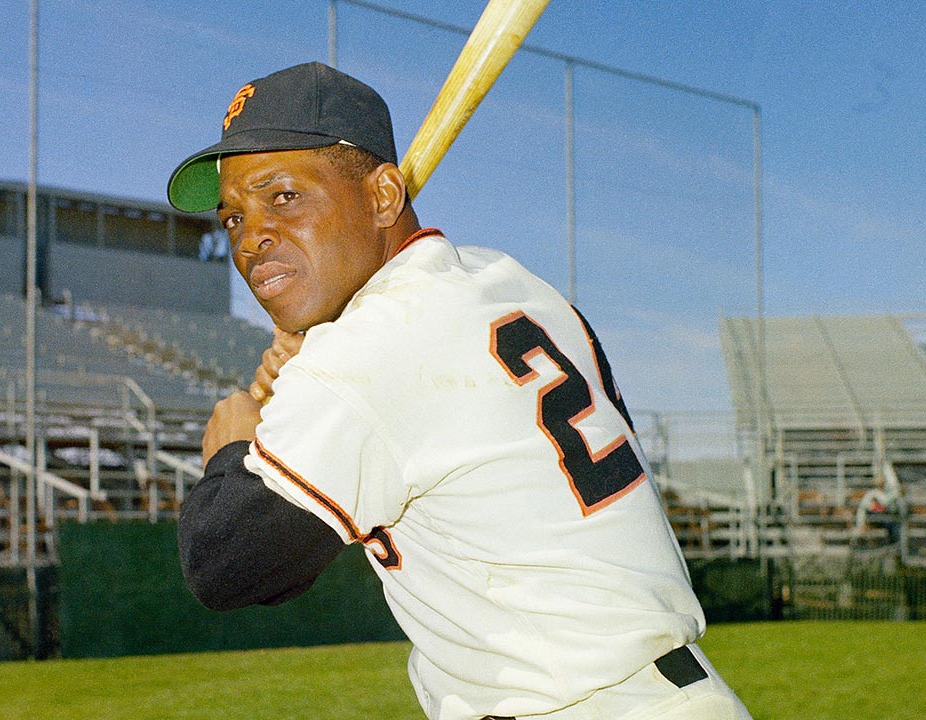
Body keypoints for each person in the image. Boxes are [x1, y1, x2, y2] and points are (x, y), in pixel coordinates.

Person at [169, 62, 752, 720]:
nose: (254, 237)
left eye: (285, 197)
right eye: (234, 220)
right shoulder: (503, 281)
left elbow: (228, 564)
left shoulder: (372, 345)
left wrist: (235, 445)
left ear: (385, 197)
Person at [855, 471, 906, 549]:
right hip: (874, 519)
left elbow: (890, 505)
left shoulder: (889, 493)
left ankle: (894, 547)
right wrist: (861, 523)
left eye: (882, 481)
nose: (881, 483)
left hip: (886, 519)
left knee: (894, 525)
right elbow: (864, 508)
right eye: (879, 482)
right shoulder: (871, 494)